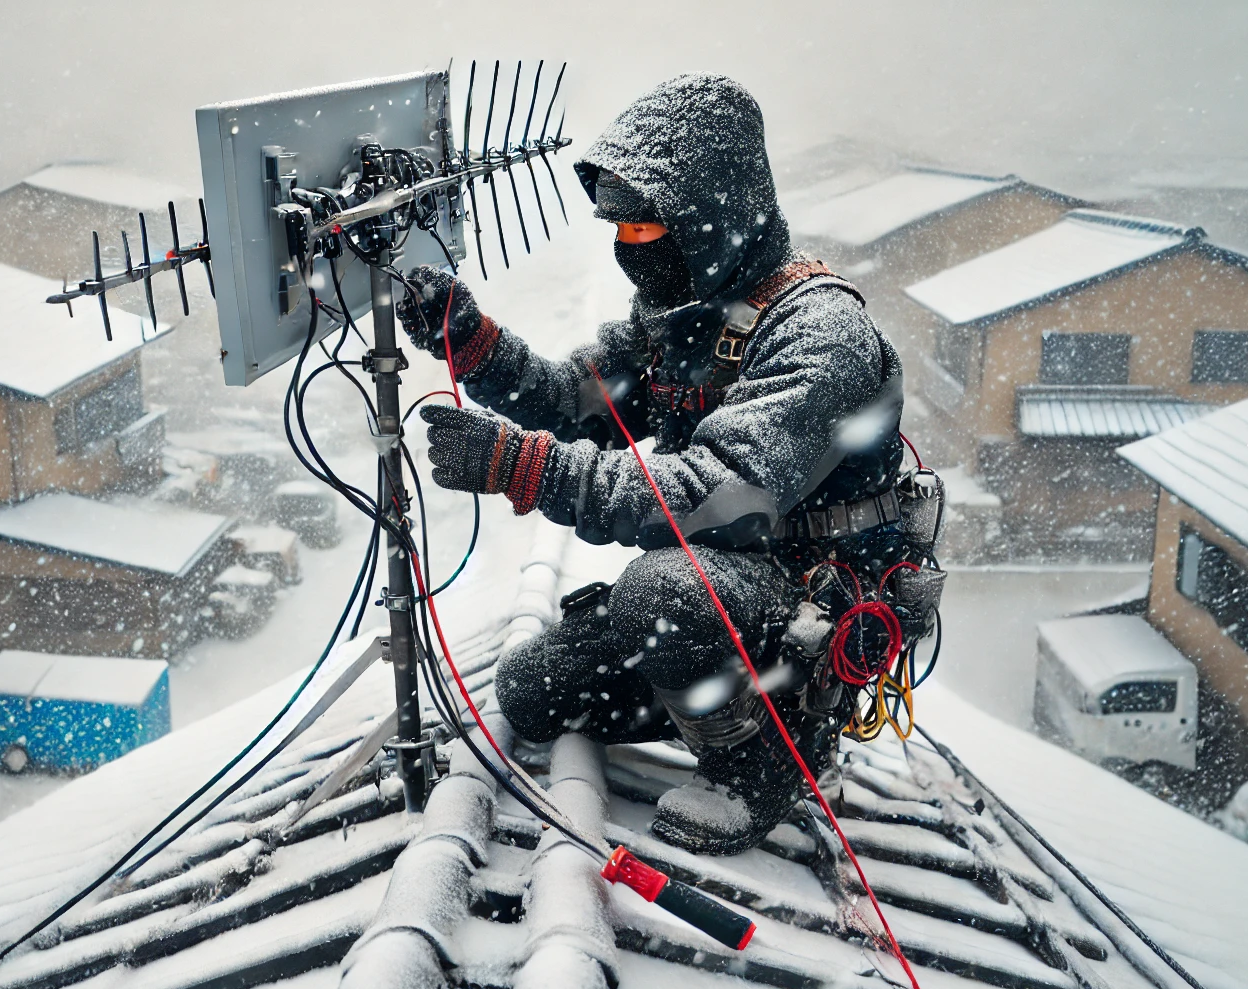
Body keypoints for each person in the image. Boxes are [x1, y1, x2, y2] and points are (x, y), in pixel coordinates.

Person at [396, 74, 923, 856]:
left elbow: (716, 497)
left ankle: (773, 763)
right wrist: (472, 343)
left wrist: (523, 468)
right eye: (623, 231)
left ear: (714, 217)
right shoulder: (686, 315)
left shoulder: (820, 335)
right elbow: (580, 399)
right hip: (724, 604)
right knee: (533, 691)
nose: (630, 251)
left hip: (808, 605)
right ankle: (703, 693)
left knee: (665, 591)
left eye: (649, 231)